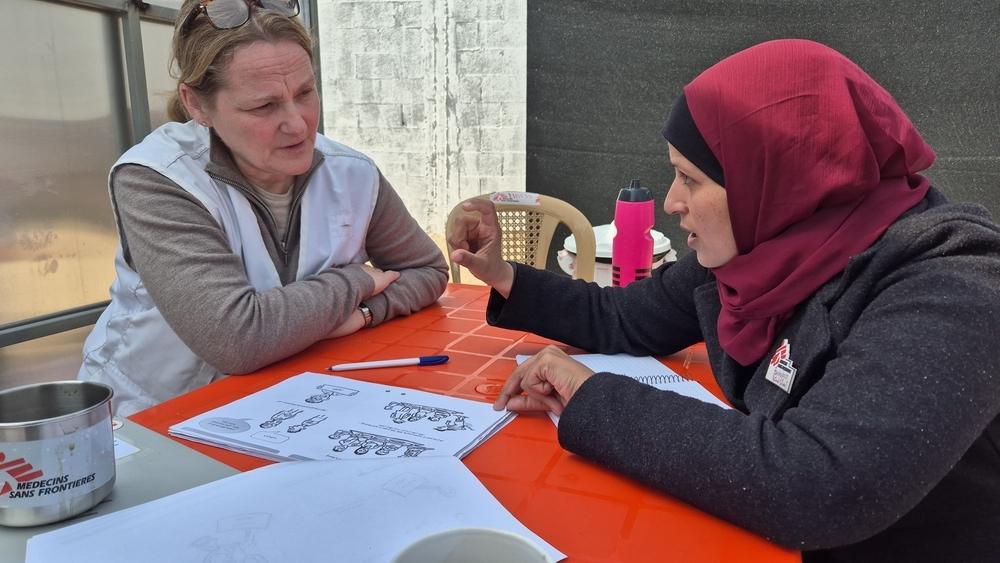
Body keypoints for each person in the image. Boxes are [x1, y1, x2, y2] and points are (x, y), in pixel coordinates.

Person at [446, 39, 1000, 561]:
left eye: (690, 179)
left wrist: (593, 399)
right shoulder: (761, 253)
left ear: (781, 176)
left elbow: (819, 484)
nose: (671, 202)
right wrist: (502, 275)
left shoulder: (951, 283)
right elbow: (623, 318)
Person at [79, 0, 447, 417]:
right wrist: (355, 280)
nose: (298, 124)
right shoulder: (159, 178)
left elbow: (427, 270)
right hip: (157, 414)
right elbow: (237, 338)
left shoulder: (351, 172)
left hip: (283, 404)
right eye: (264, 106)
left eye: (305, 93)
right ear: (197, 105)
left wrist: (363, 314)